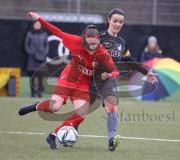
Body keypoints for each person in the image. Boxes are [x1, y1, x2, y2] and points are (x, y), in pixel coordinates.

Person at [18, 12, 119, 150]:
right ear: (84, 40)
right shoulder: (75, 41)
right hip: (68, 79)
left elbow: (115, 71)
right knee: (55, 107)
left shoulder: (102, 53)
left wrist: (109, 75)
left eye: (95, 43)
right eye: (89, 43)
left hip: (82, 84)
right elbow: (57, 32)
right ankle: (36, 106)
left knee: (82, 112)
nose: (92, 46)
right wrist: (39, 19)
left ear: (98, 41)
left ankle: (53, 135)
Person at [89, 8, 158, 151]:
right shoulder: (99, 37)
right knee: (83, 109)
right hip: (92, 78)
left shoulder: (122, 43)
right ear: (108, 21)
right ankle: (68, 131)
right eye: (115, 21)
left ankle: (111, 140)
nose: (118, 24)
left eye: (121, 22)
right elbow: (85, 56)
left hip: (109, 79)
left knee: (112, 107)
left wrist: (146, 72)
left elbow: (130, 61)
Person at [24, 20, 49, 97]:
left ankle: (39, 92)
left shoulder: (44, 34)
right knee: (32, 77)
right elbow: (26, 45)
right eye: (36, 24)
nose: (37, 25)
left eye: (39, 24)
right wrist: (31, 53)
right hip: (32, 59)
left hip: (41, 59)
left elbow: (47, 46)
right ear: (33, 25)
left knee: (41, 77)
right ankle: (32, 92)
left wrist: (44, 53)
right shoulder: (29, 34)